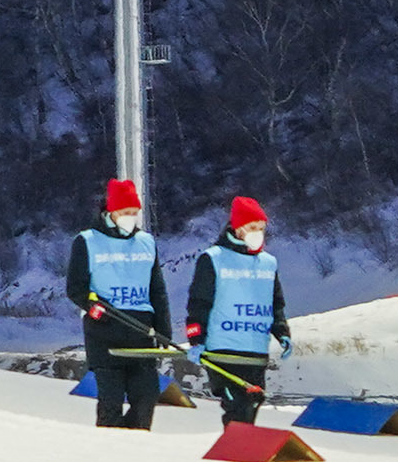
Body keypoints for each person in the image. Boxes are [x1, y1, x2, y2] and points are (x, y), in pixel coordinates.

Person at [70, 177, 173, 429]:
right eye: (125, 212)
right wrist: (93, 309)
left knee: (147, 397)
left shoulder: (146, 242)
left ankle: (135, 443)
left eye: (134, 213)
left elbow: (157, 289)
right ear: (111, 211)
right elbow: (76, 288)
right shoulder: (87, 241)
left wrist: (163, 331)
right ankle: (112, 447)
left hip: (141, 333)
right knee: (111, 402)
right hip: (106, 335)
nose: (131, 217)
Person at [185, 196, 292, 426]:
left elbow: (275, 303)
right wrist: (196, 338)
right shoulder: (214, 259)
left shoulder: (268, 263)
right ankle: (234, 455)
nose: (258, 233)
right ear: (238, 228)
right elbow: (199, 302)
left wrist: (282, 333)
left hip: (255, 350)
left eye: (262, 228)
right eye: (253, 227)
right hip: (224, 350)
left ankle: (239, 453)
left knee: (253, 403)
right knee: (237, 408)